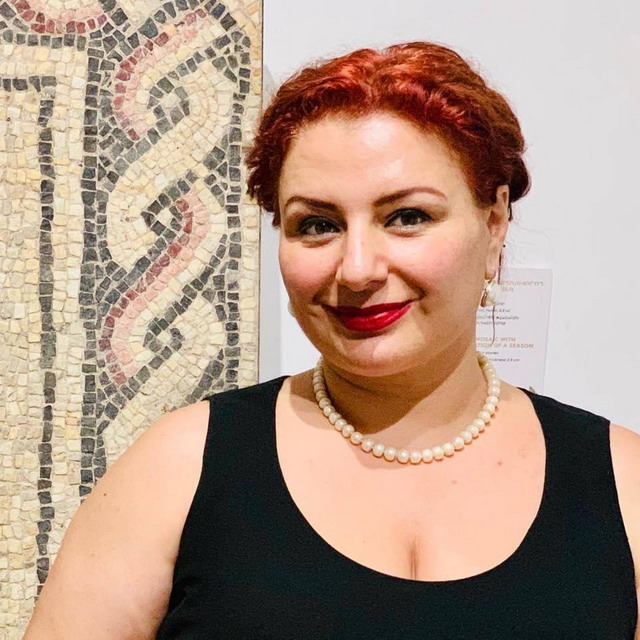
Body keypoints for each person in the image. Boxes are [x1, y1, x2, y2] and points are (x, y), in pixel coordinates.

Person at [24, 42, 639, 639]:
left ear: (495, 220)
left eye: (408, 216)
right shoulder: (178, 468)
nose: (358, 269)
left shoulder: (623, 481)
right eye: (317, 224)